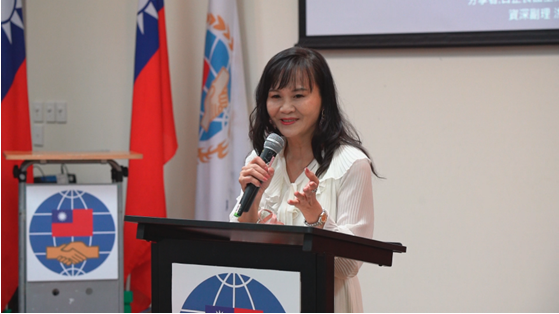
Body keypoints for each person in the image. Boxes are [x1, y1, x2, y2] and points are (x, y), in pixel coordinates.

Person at [229, 47, 377, 313]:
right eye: (275, 96)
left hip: (325, 302)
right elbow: (236, 245)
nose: (286, 108)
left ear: (323, 100)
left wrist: (315, 217)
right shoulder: (262, 158)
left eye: (298, 95)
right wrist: (254, 205)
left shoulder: (351, 164)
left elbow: (349, 266)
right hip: (268, 300)